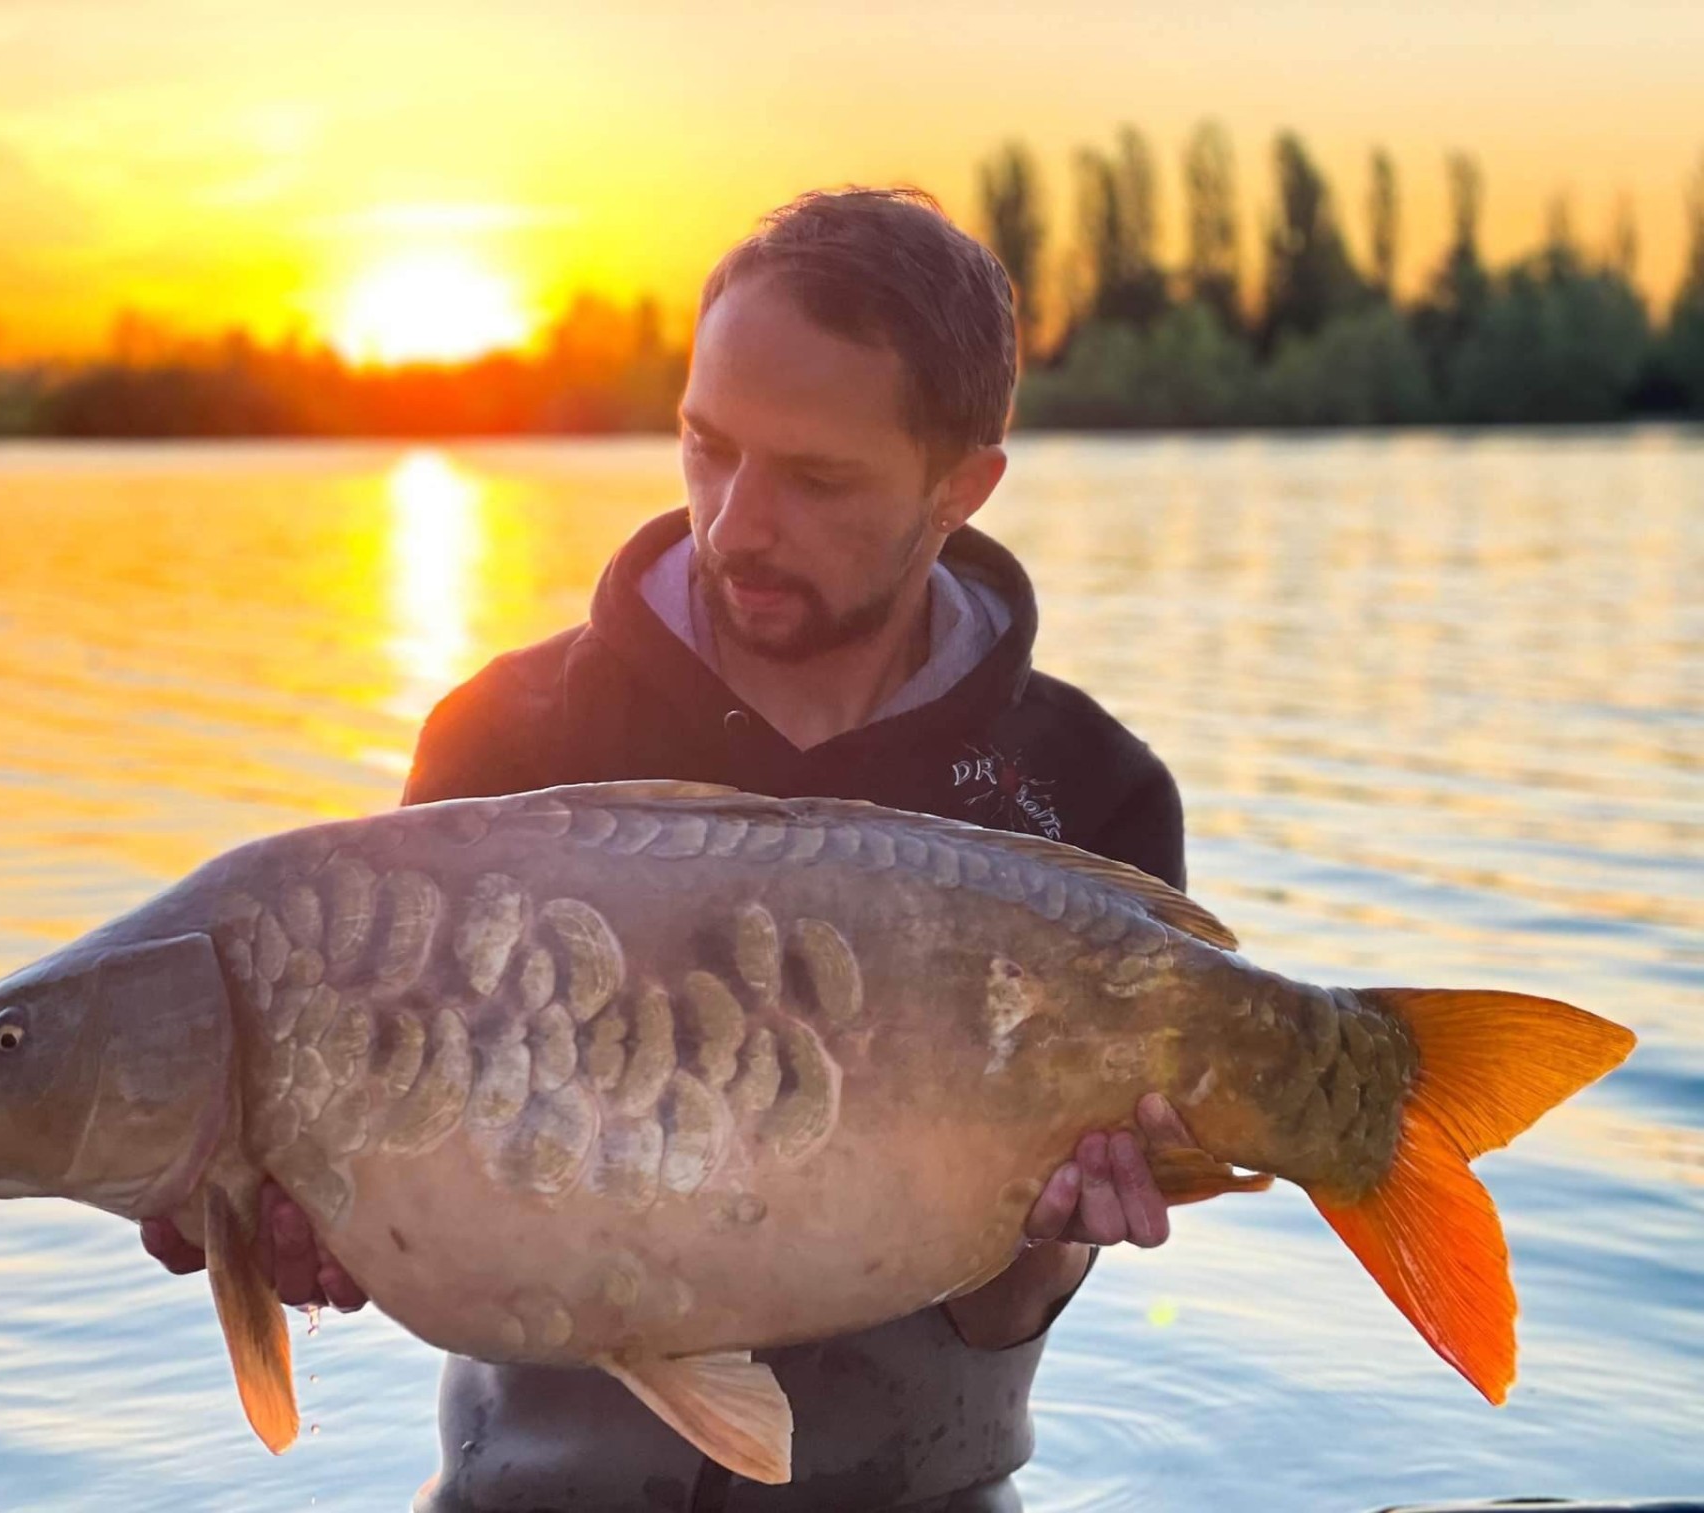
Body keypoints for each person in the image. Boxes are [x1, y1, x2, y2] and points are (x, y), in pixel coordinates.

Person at [143, 186, 1203, 1512]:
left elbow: (1003, 1317)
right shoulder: (503, 744)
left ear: (959, 487)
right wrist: (312, 1221)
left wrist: (1051, 1243)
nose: (737, 522)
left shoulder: (1083, 801)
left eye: (815, 477)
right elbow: (396, 1189)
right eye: (708, 447)